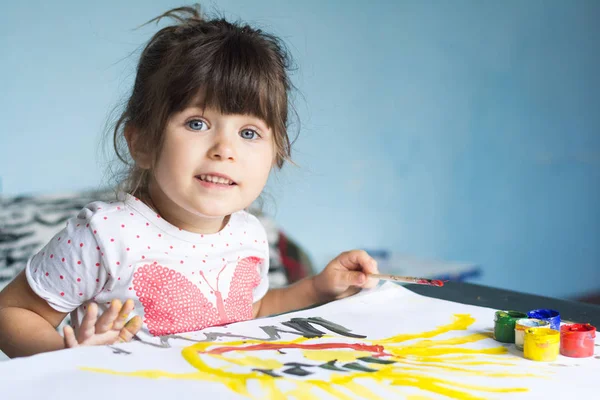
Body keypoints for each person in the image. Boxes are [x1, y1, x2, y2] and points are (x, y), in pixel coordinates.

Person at [0, 5, 379, 358]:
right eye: (197, 123)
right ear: (144, 143)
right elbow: (11, 312)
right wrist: (68, 361)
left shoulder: (250, 235)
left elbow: (250, 310)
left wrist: (316, 288)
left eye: (249, 133)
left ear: (276, 152)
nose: (224, 149)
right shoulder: (106, 235)